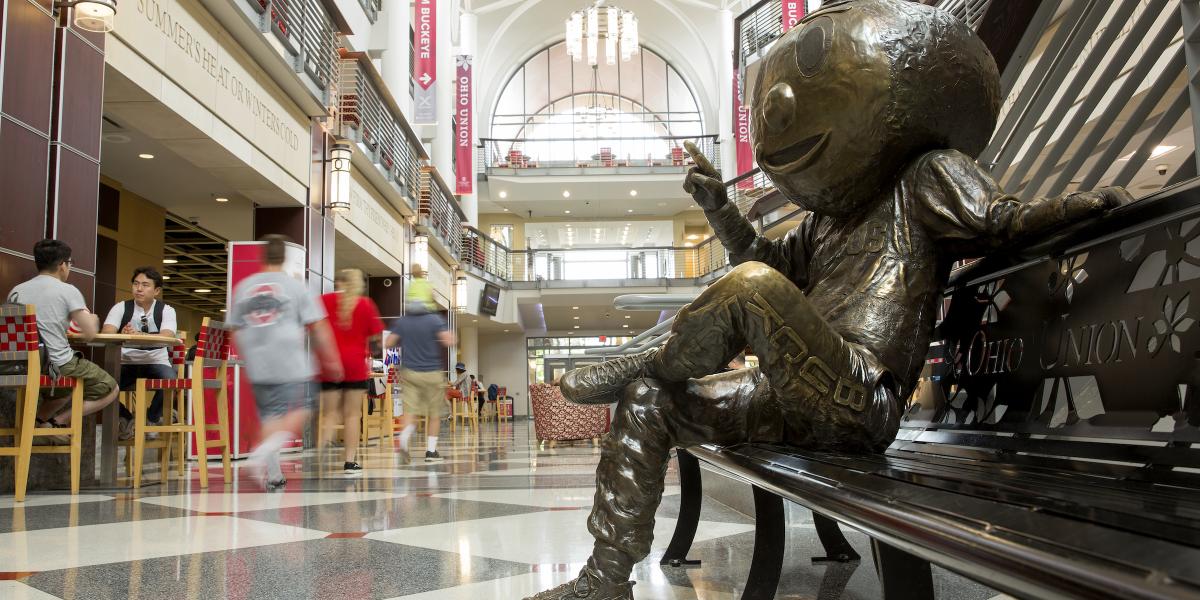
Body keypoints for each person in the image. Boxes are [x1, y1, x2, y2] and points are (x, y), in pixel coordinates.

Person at [526, 2, 1130, 598]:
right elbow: (761, 261)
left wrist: (1078, 208)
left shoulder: (925, 176)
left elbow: (1000, 223)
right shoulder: (823, 223)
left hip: (858, 399)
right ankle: (605, 579)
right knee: (651, 399)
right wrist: (718, 205)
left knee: (752, 295)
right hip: (791, 398)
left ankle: (643, 355)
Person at [228, 235, 343, 491]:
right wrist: (332, 359)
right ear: (284, 258)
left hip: (258, 364)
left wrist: (249, 355)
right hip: (291, 361)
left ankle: (273, 473)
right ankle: (262, 453)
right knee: (304, 406)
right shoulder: (296, 286)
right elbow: (318, 326)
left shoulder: (243, 287)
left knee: (270, 416)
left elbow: (234, 330)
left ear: (263, 256)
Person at [6, 239, 118, 442]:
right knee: (110, 387)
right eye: (70, 263)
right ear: (62, 265)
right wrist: (93, 318)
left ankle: (40, 421)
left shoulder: (16, 291)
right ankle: (59, 421)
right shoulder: (67, 290)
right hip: (55, 363)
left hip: (19, 365)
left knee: (68, 386)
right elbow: (90, 332)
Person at [319, 268, 384, 475]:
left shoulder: (323, 300)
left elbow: (313, 329)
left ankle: (323, 444)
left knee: (329, 413)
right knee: (352, 415)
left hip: (329, 364)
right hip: (355, 365)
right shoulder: (365, 304)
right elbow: (377, 336)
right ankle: (349, 462)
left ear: (337, 282)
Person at [101, 267, 178, 438]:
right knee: (101, 384)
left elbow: (168, 335)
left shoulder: (166, 310)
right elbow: (107, 332)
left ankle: (151, 418)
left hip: (156, 362)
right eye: (136, 284)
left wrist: (140, 335)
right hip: (126, 362)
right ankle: (127, 418)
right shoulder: (121, 307)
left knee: (171, 380)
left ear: (156, 290)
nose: (139, 288)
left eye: (145, 285)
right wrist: (122, 333)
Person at [386, 307, 454, 463]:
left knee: (411, 411)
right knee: (434, 413)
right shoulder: (434, 319)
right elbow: (449, 340)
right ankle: (431, 451)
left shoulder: (403, 321)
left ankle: (403, 439)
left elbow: (388, 342)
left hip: (409, 373)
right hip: (432, 373)